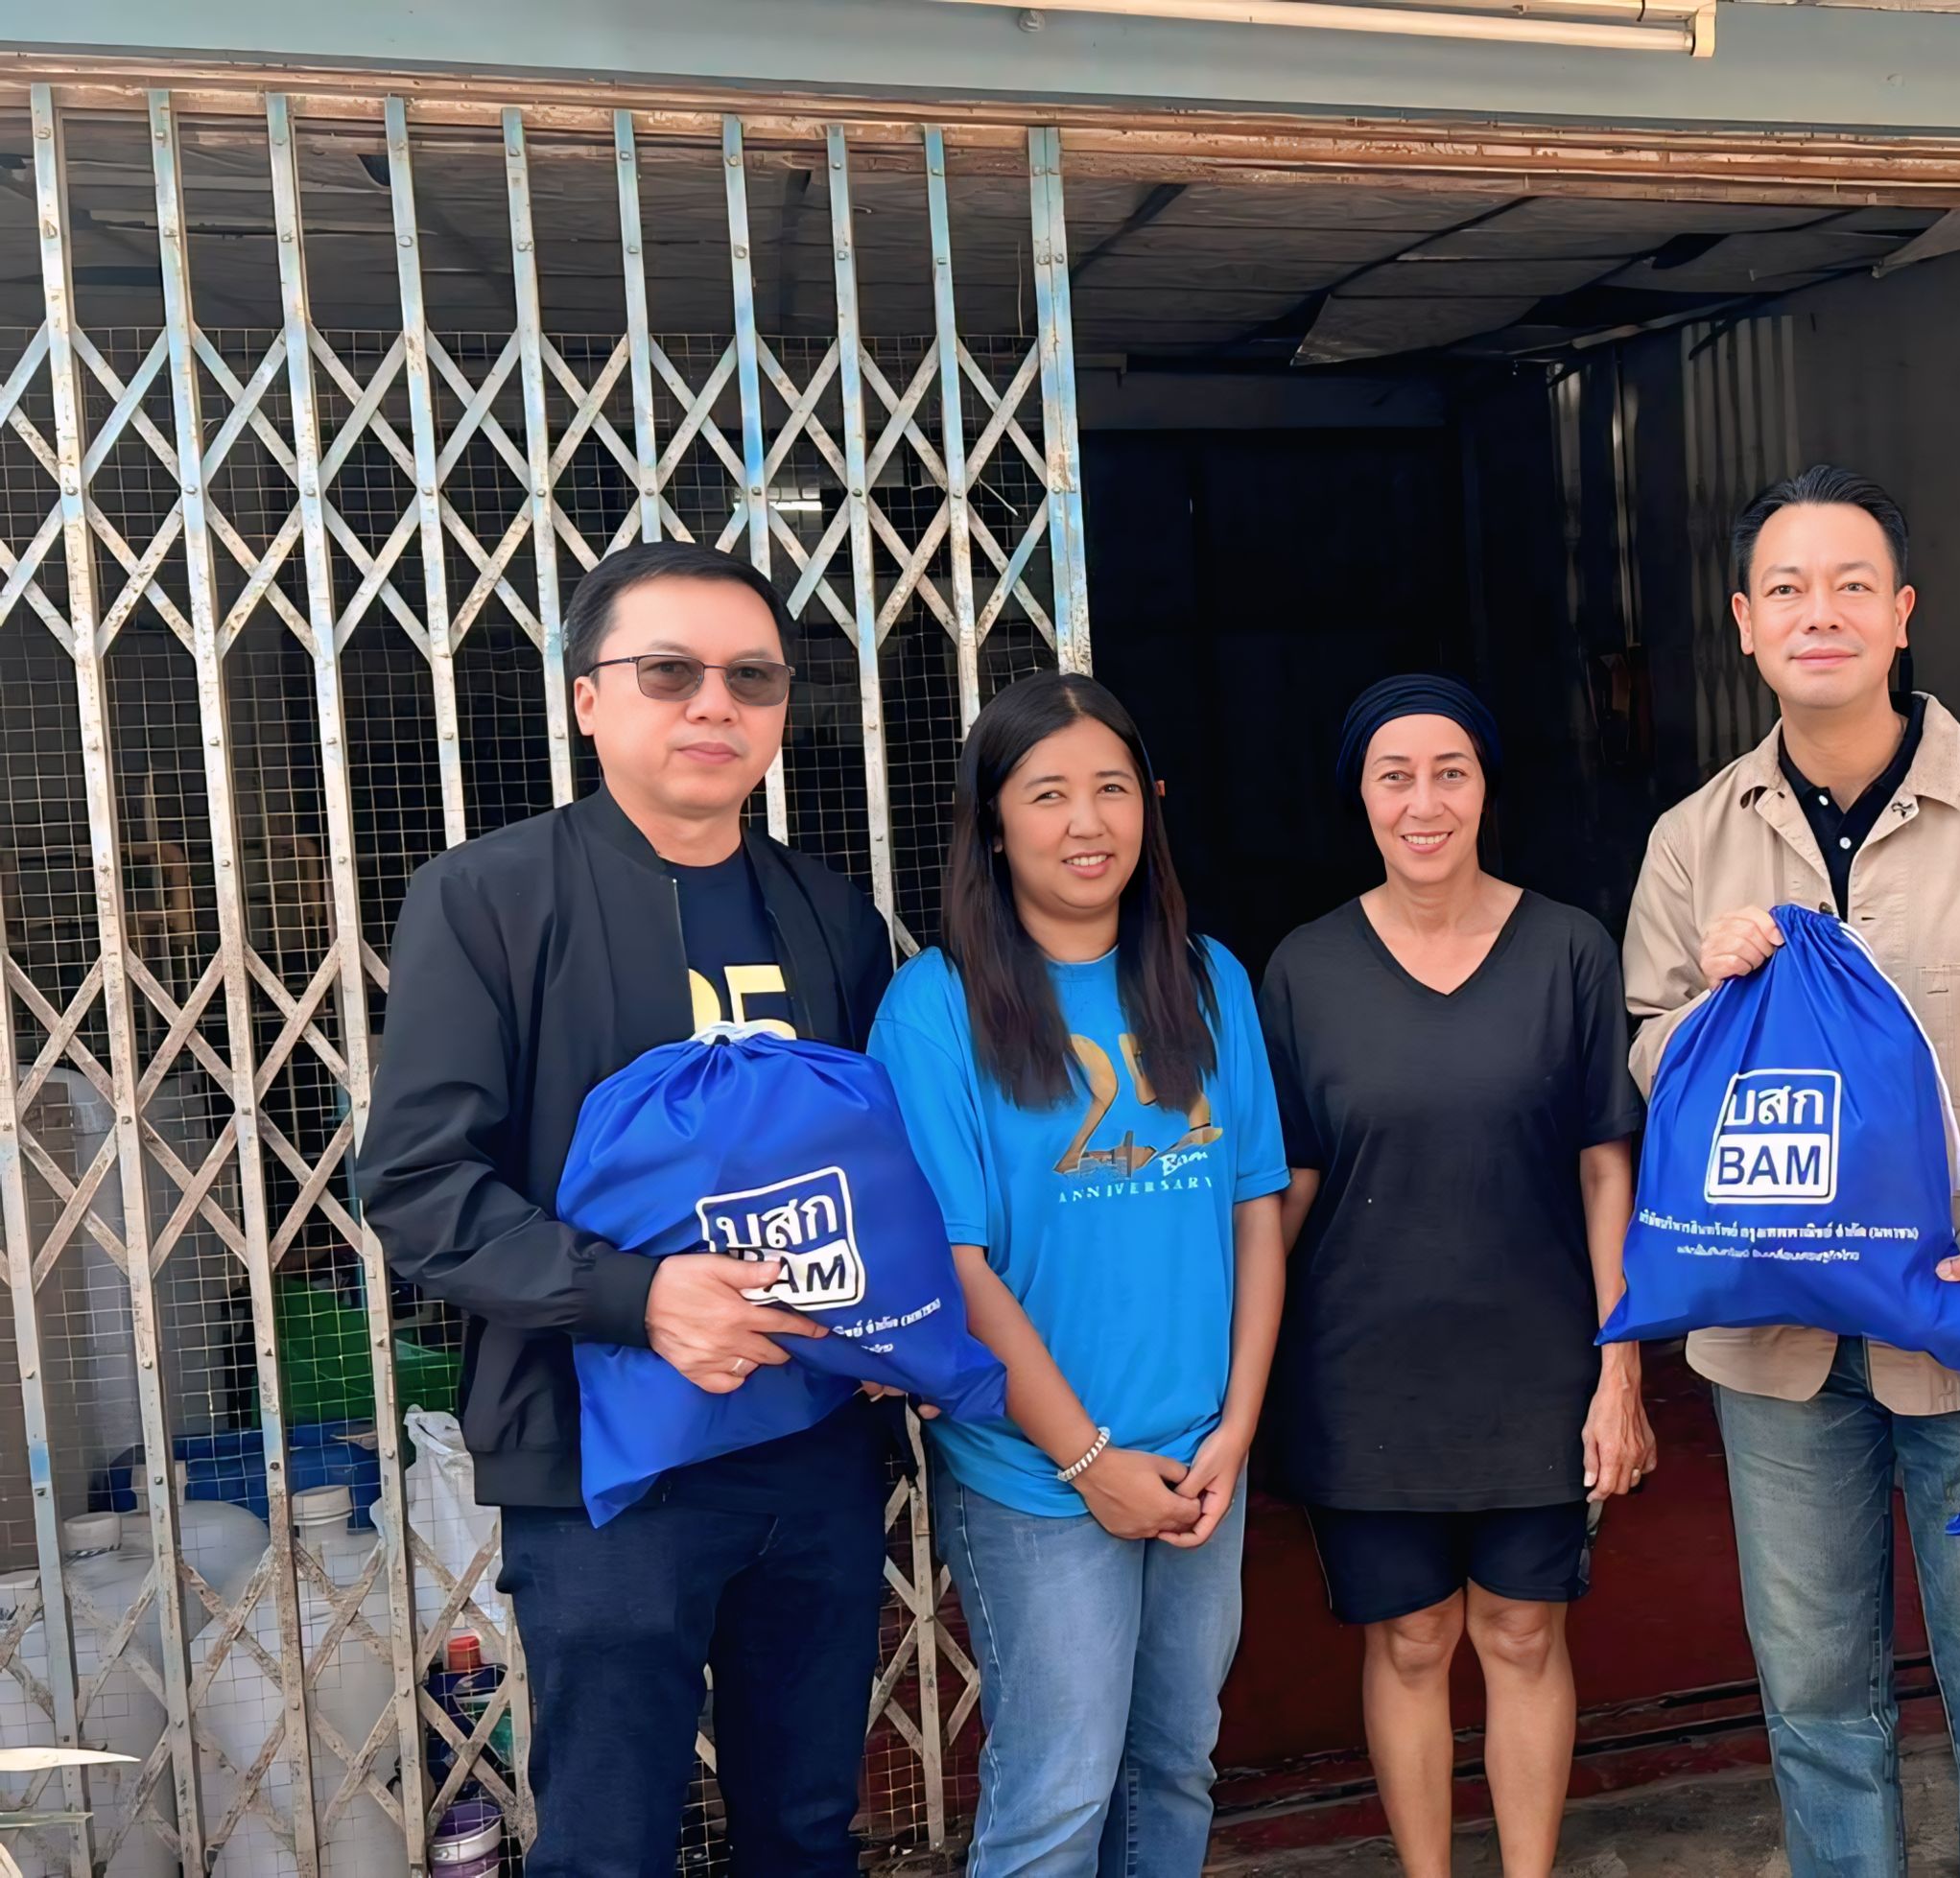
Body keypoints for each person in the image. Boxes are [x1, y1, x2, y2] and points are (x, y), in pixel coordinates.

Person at [1620, 464, 1960, 1878]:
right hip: (1772, 1338)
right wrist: (1711, 1007)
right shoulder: (1693, 839)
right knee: (1815, 1695)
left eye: (1852, 585)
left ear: (1904, 612)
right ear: (1744, 622)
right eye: (1786, 588)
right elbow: (1650, 1055)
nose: (1821, 613)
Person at [362, 540, 897, 1878]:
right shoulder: (487, 899)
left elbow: (879, 1168)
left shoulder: (833, 915)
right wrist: (640, 1294)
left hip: (815, 1449)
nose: (715, 703)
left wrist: (909, 1329)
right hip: (607, 1468)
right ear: (589, 696)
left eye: (752, 676)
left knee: (806, 1831)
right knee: (610, 1845)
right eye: (670, 671)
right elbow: (418, 1183)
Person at [864, 672, 1288, 1878]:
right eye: (1048, 793)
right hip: (1038, 1478)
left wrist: (1238, 1425)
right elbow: (955, 1265)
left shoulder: (1207, 979)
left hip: (1201, 1464)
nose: (1087, 821)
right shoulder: (936, 1006)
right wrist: (1092, 1461)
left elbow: (1256, 1206)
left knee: (1175, 1768)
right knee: (1058, 1793)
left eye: (1113, 787)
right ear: (993, 822)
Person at [1258, 673, 1652, 1878]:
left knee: (1524, 1631)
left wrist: (1621, 1367)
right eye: (1395, 776)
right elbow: (1285, 1186)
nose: (1423, 802)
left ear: (1486, 786)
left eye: (1450, 772)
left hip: (1537, 1361)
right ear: (1361, 795)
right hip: (1363, 1367)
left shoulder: (1569, 949)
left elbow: (1605, 1167)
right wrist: (1227, 1361)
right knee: (1413, 1636)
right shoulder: (1305, 969)